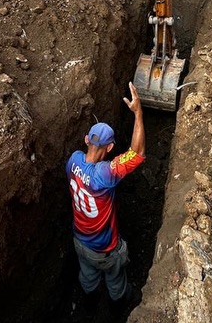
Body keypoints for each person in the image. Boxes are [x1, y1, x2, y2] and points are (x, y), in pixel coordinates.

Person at [66, 82, 144, 308]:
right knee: (116, 281)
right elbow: (137, 153)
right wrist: (138, 113)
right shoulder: (104, 174)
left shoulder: (73, 160)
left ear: (86, 139)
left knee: (88, 277)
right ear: (110, 148)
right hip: (105, 249)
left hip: (80, 241)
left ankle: (89, 305)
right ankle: (119, 308)